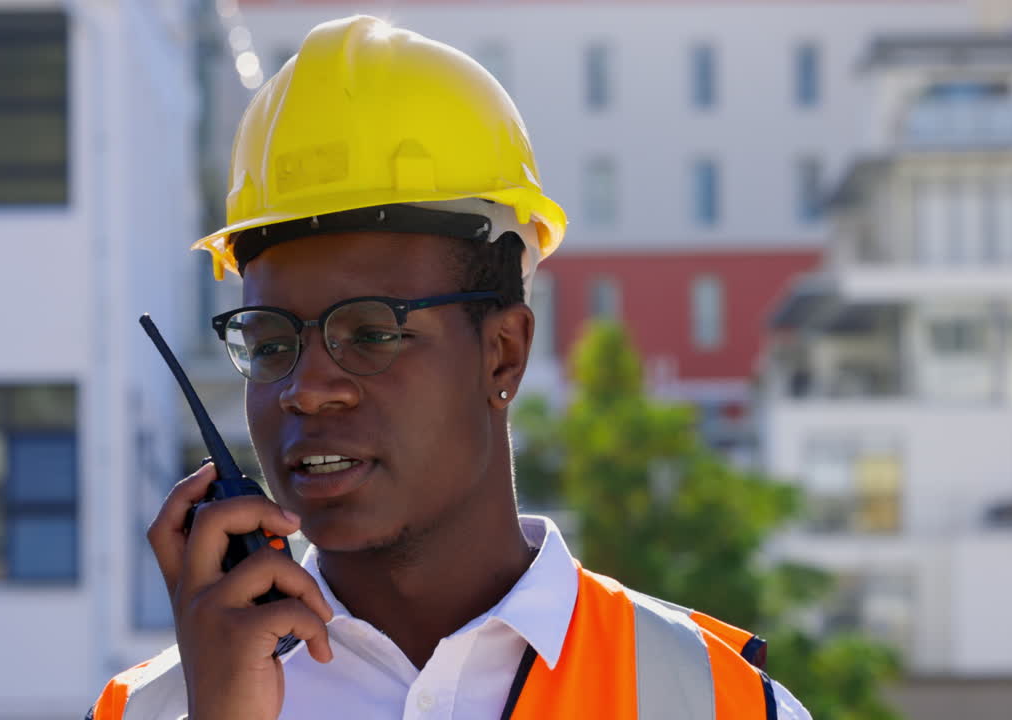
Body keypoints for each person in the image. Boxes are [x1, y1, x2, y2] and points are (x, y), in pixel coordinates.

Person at [90, 15, 810, 720]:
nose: (306, 389)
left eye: (370, 333)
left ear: (504, 353)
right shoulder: (151, 710)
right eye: (272, 341)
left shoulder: (717, 703)